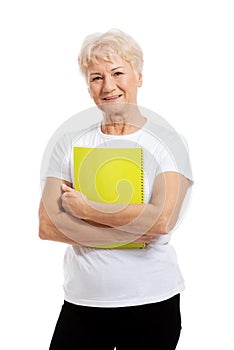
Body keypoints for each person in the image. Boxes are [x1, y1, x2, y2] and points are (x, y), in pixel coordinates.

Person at [39, 29, 193, 350]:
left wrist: (85, 211)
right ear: (88, 87)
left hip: (152, 302)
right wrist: (131, 231)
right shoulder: (69, 143)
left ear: (138, 76)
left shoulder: (168, 141)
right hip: (84, 302)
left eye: (118, 73)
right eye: (96, 77)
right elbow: (47, 226)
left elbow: (160, 222)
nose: (108, 86)